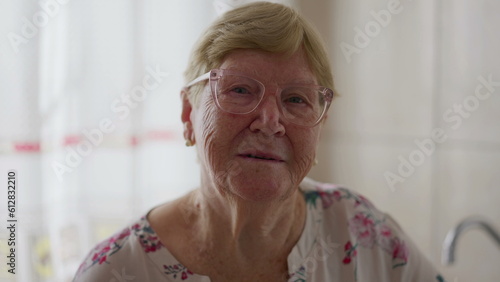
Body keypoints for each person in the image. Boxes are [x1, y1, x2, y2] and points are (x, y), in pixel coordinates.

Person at [73, 2, 445, 281]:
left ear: (319, 125)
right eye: (239, 90)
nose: (270, 122)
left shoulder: (364, 235)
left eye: (297, 99)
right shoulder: (117, 271)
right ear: (189, 114)